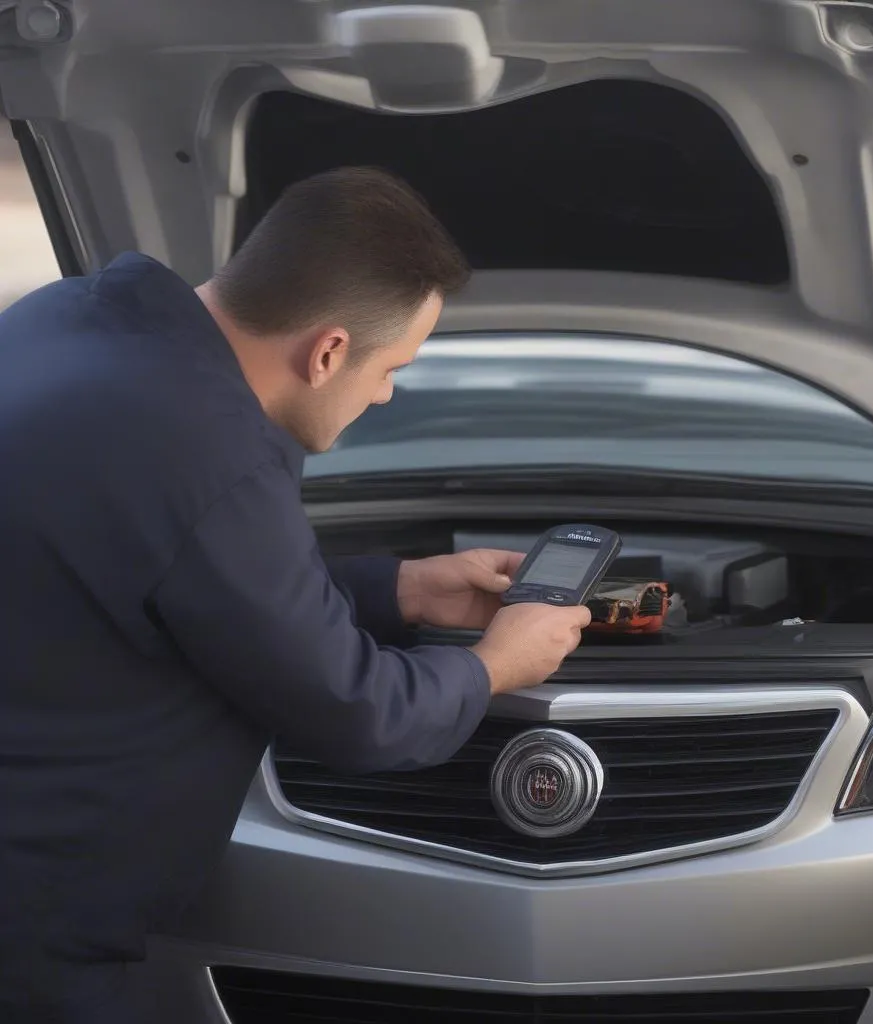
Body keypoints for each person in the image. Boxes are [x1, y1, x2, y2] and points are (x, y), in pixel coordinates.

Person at [0, 166, 591, 1022]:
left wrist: (399, 590)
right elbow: (360, 713)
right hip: (36, 925)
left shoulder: (60, 317)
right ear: (327, 352)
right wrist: (498, 665)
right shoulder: (214, 459)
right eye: (394, 367)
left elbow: (164, 579)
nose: (388, 392)